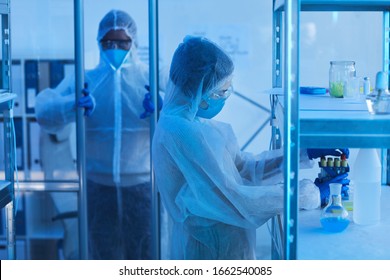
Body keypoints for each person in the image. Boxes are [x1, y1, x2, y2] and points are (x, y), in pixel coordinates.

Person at [152, 36, 349, 260]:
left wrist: (302, 153)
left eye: (228, 89)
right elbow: (238, 200)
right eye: (220, 93)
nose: (226, 97)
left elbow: (243, 169)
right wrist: (308, 194)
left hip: (226, 245)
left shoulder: (194, 124)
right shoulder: (181, 134)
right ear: (197, 91)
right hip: (209, 251)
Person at [35, 9, 165, 259]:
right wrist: (71, 105)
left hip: (143, 185)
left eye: (122, 42)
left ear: (134, 43)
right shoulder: (86, 80)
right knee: (101, 257)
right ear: (99, 43)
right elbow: (44, 112)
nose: (115, 47)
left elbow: (185, 106)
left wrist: (161, 105)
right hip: (97, 186)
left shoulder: (151, 77)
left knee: (146, 256)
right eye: (108, 42)